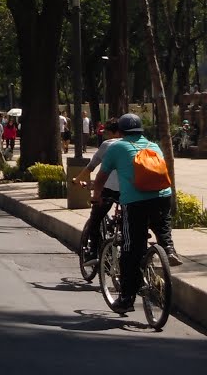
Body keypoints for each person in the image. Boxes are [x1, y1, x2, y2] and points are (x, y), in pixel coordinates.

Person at [91, 113, 181, 314]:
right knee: (161, 224)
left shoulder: (117, 147)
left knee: (131, 249)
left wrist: (96, 197)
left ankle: (126, 299)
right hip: (162, 196)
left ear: (120, 132)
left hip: (135, 202)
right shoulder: (153, 146)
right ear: (141, 131)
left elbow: (101, 177)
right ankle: (168, 248)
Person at [73, 118, 122, 262]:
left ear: (115, 132)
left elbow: (91, 167)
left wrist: (76, 179)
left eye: (107, 132)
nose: (105, 135)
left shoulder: (108, 145)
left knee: (95, 219)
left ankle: (94, 251)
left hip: (108, 190)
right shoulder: (133, 144)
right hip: (129, 190)